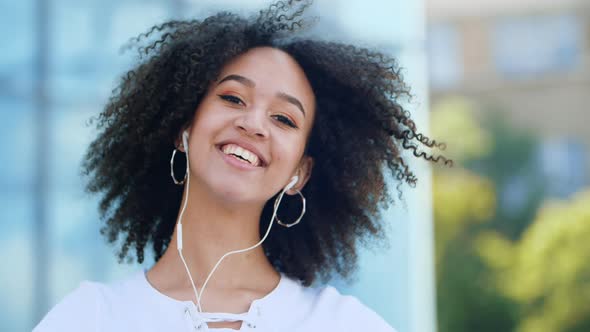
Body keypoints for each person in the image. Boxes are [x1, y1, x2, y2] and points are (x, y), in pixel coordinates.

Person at [33, 0, 449, 331]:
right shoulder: (90, 318)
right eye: (233, 98)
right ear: (183, 127)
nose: (252, 124)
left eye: (284, 119)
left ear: (298, 173)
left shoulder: (341, 324)